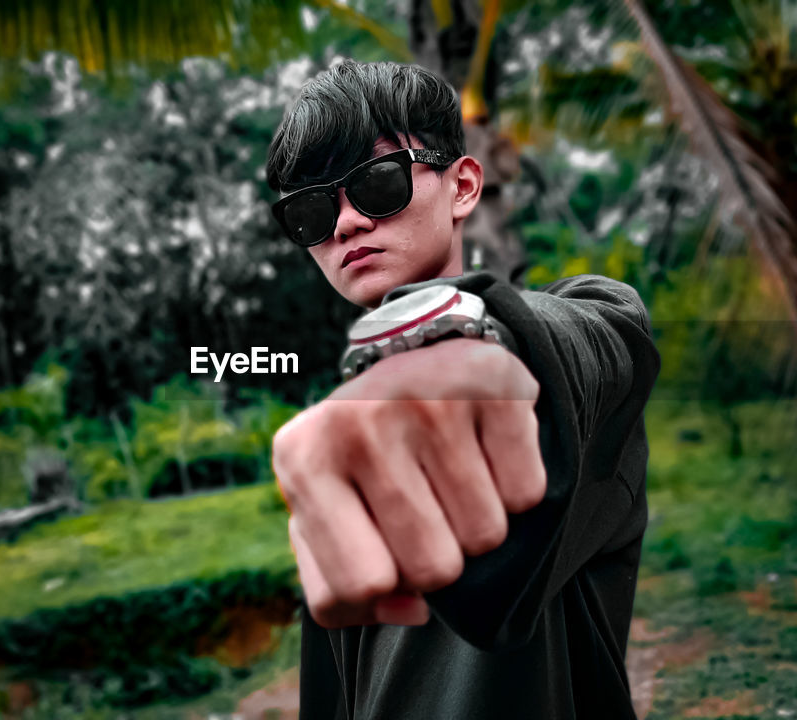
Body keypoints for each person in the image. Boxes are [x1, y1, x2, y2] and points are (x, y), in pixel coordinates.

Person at [265, 58, 661, 720]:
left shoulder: (568, 338)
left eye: (377, 184)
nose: (345, 225)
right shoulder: (348, 427)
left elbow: (601, 340)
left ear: (463, 185)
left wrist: (481, 342)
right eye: (310, 211)